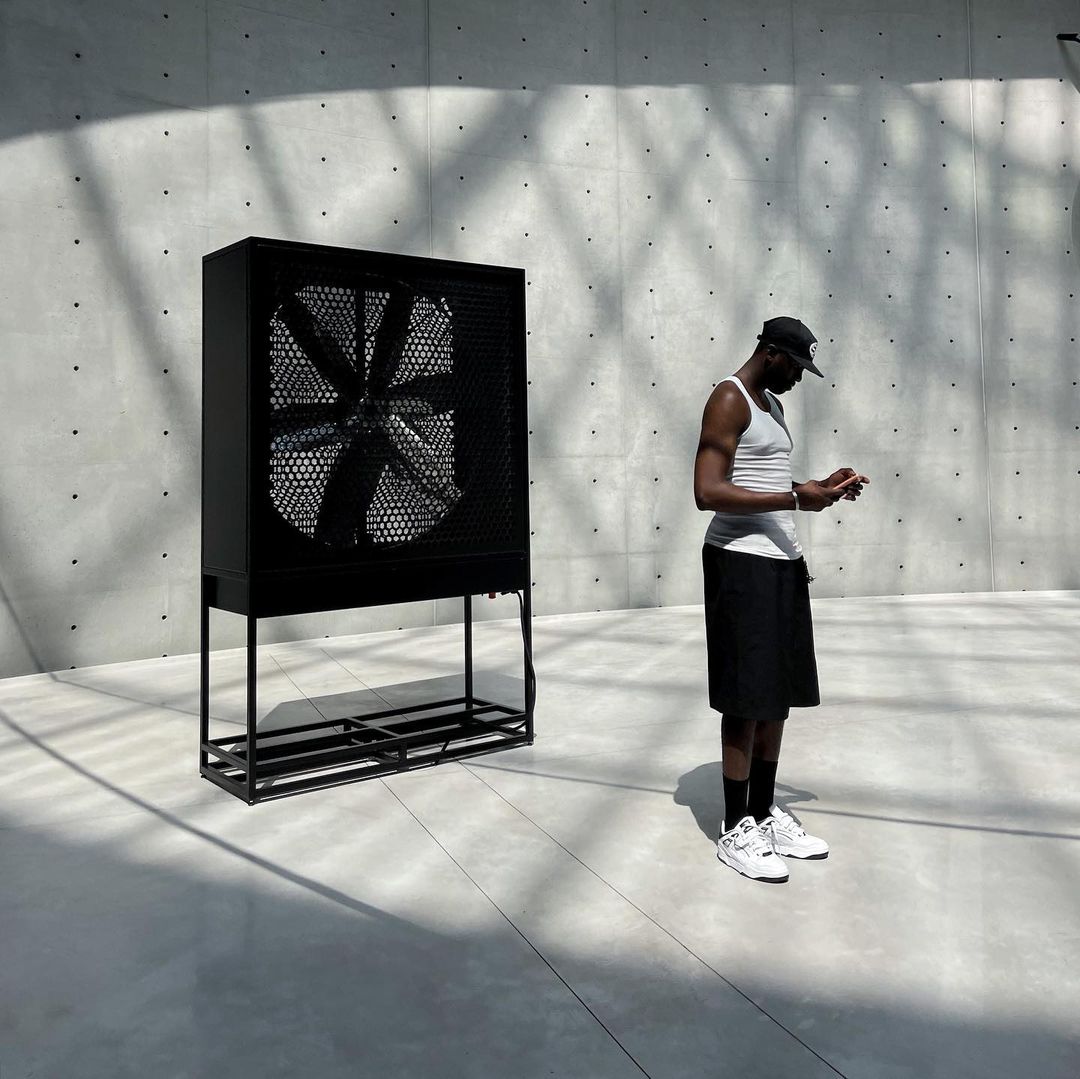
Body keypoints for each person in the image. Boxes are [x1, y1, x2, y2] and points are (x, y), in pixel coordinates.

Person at [693, 317, 869, 883]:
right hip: (740, 562)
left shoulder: (772, 405)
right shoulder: (729, 398)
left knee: (775, 694)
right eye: (795, 366)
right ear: (771, 353)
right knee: (745, 697)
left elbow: (764, 482)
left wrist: (820, 487)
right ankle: (734, 826)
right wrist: (798, 499)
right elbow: (707, 491)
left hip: (781, 562)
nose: (798, 377)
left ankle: (764, 812)